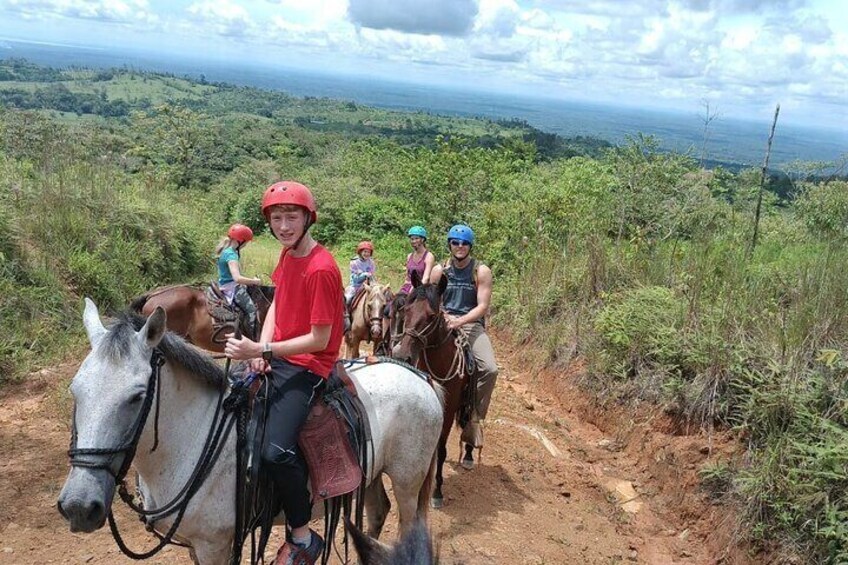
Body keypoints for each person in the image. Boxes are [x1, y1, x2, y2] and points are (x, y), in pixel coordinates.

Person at [224, 180, 344, 565]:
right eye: (277, 218)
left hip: (309, 365)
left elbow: (319, 337)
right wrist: (261, 348)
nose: (284, 225)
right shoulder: (286, 256)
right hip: (277, 355)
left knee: (276, 451)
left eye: (292, 216)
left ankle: (302, 535)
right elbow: (276, 305)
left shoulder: (322, 268)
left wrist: (264, 349)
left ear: (309, 219)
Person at [429, 224, 498, 471]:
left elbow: (482, 306)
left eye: (464, 244)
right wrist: (443, 316)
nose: (460, 247)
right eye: (455, 243)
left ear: (470, 246)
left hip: (470, 325)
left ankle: (475, 420)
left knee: (489, 369)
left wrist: (459, 320)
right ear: (449, 244)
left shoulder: (481, 271)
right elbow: (430, 299)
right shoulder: (440, 270)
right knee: (410, 350)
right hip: (442, 323)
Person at [216, 223, 261, 339]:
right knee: (252, 311)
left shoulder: (226, 251)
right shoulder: (232, 255)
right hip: (232, 287)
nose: (245, 245)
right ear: (241, 241)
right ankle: (252, 340)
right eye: (246, 242)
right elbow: (237, 278)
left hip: (224, 284)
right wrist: (254, 281)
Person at [398, 226, 435, 295]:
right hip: (408, 287)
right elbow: (407, 277)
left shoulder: (429, 256)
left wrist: (414, 289)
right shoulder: (409, 256)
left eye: (416, 238)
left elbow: (426, 278)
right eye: (412, 239)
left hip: (422, 288)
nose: (413, 241)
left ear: (422, 239)